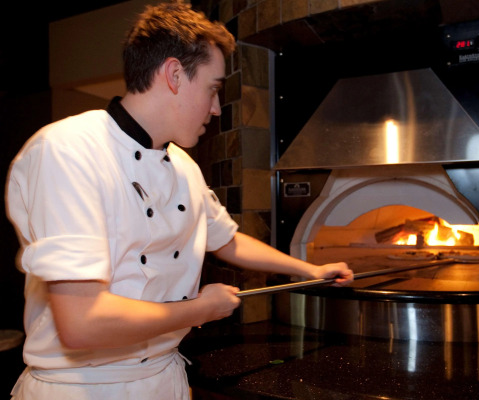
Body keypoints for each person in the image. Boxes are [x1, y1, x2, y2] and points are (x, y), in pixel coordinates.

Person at [5, 2, 353, 399]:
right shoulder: (67, 151)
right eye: (213, 89)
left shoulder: (184, 166)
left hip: (164, 378)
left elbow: (227, 240)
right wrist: (200, 309)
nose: (216, 109)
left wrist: (309, 269)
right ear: (174, 75)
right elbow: (82, 324)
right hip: (83, 388)